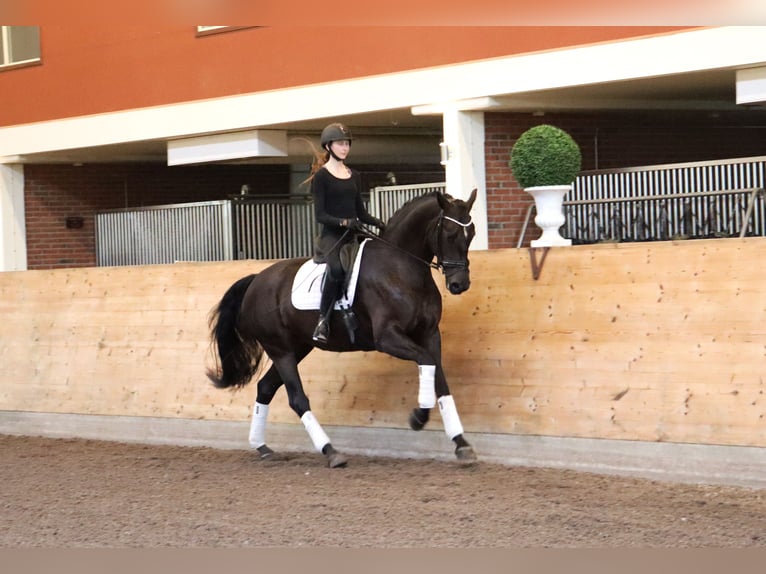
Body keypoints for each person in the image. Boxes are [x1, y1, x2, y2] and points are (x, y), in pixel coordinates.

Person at [309, 122, 386, 344]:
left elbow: (360, 212)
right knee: (336, 270)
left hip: (354, 234)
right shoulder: (322, 177)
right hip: (332, 238)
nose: (345, 148)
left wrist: (379, 222)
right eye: (340, 144)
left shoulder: (354, 175)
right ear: (329, 146)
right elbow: (320, 215)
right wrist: (343, 222)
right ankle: (323, 321)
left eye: (347, 144)